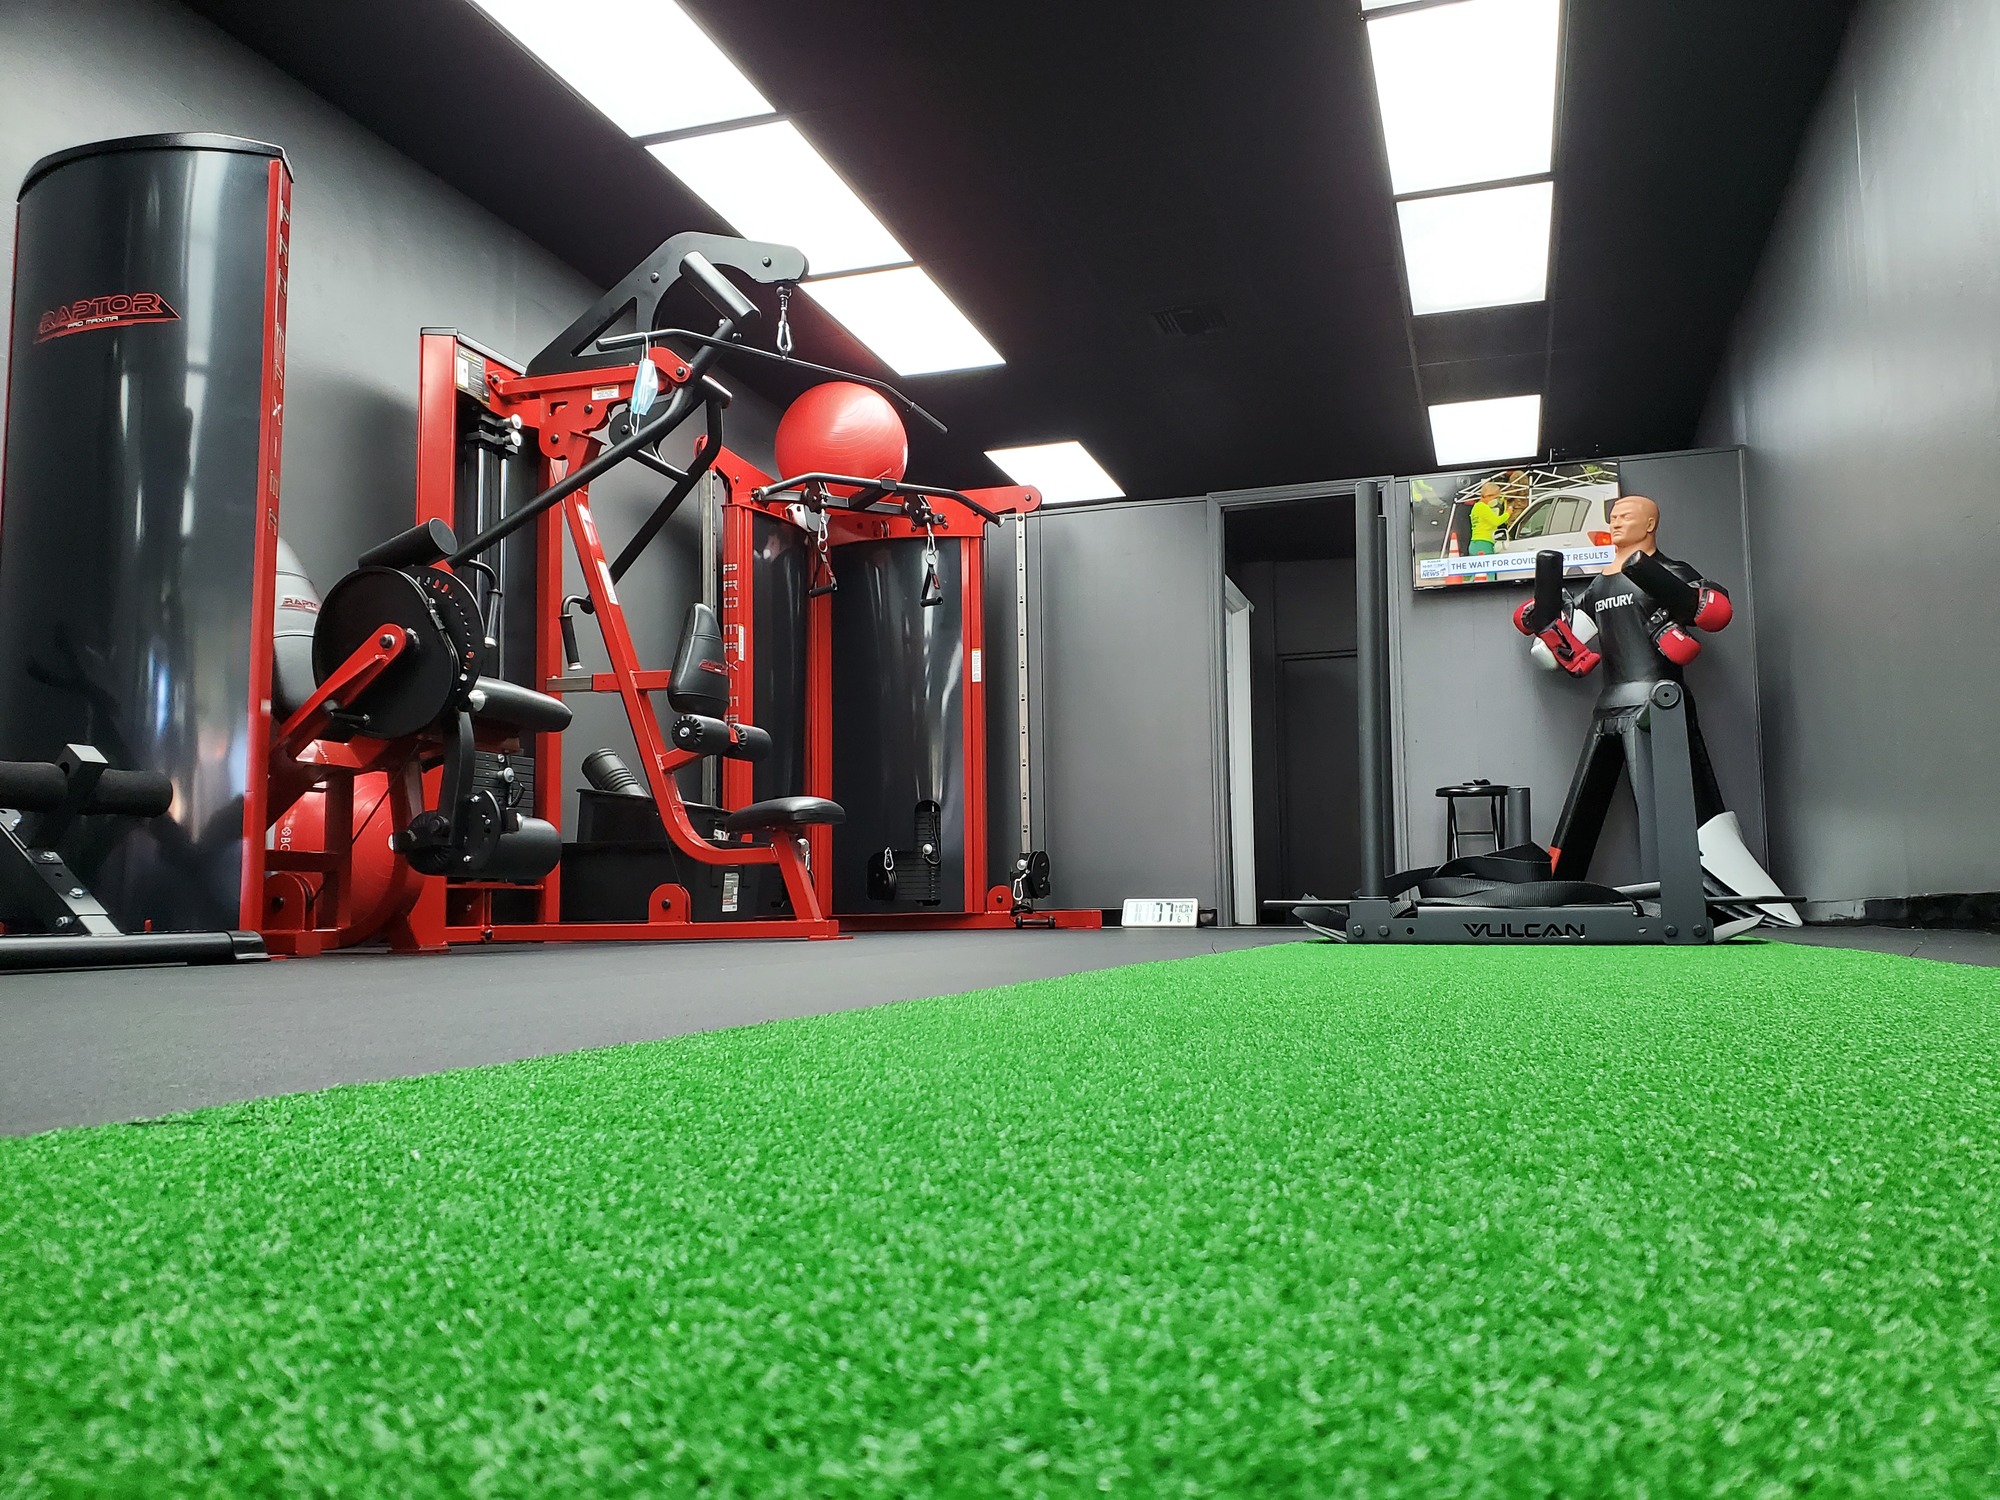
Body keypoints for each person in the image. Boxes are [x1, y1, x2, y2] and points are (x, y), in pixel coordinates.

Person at [1517, 494, 1732, 877]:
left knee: (1670, 807)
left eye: (1625, 516)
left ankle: (1685, 889)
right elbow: (1557, 649)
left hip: (1659, 703)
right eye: (1613, 517)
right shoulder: (1599, 585)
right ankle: (1557, 886)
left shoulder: (1670, 572)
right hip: (1610, 702)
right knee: (1582, 806)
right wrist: (1547, 624)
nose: (1615, 523)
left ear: (1649, 524)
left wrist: (1695, 603)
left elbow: (1714, 611)